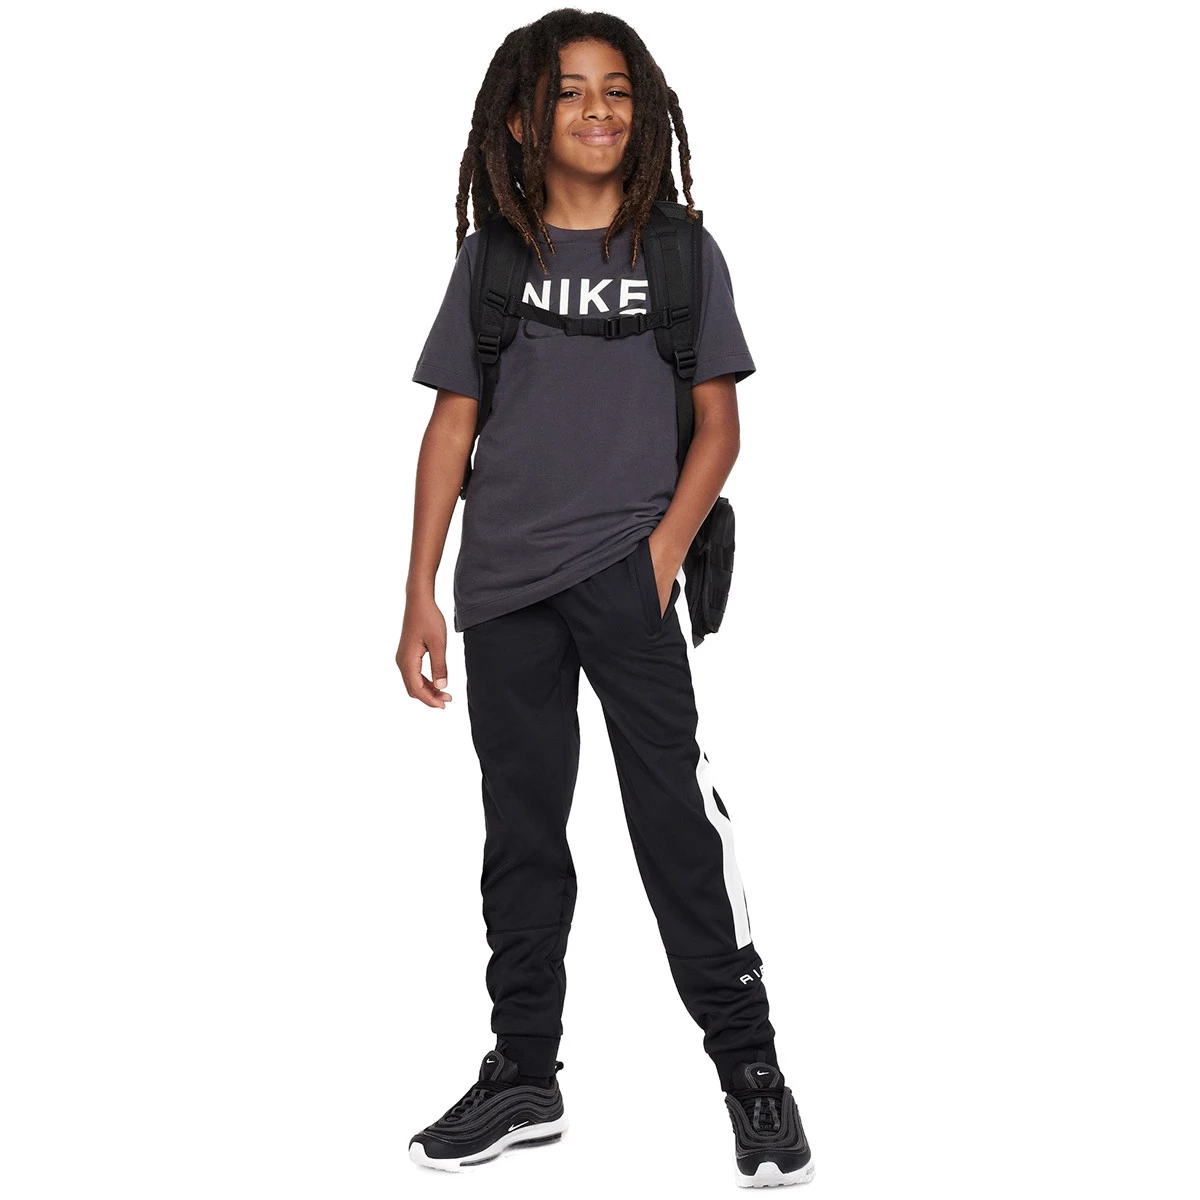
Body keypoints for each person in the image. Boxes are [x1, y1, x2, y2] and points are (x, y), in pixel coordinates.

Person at [396, 8, 814, 1187]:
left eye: (617, 90)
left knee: (677, 824)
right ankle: (525, 1075)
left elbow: (720, 427)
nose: (597, 110)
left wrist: (661, 556)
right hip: (503, 589)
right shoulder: (493, 261)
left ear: (645, 111)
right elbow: (452, 428)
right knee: (522, 835)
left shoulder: (679, 254)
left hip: (629, 577)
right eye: (570, 91)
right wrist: (420, 589)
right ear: (522, 120)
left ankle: (752, 1073)